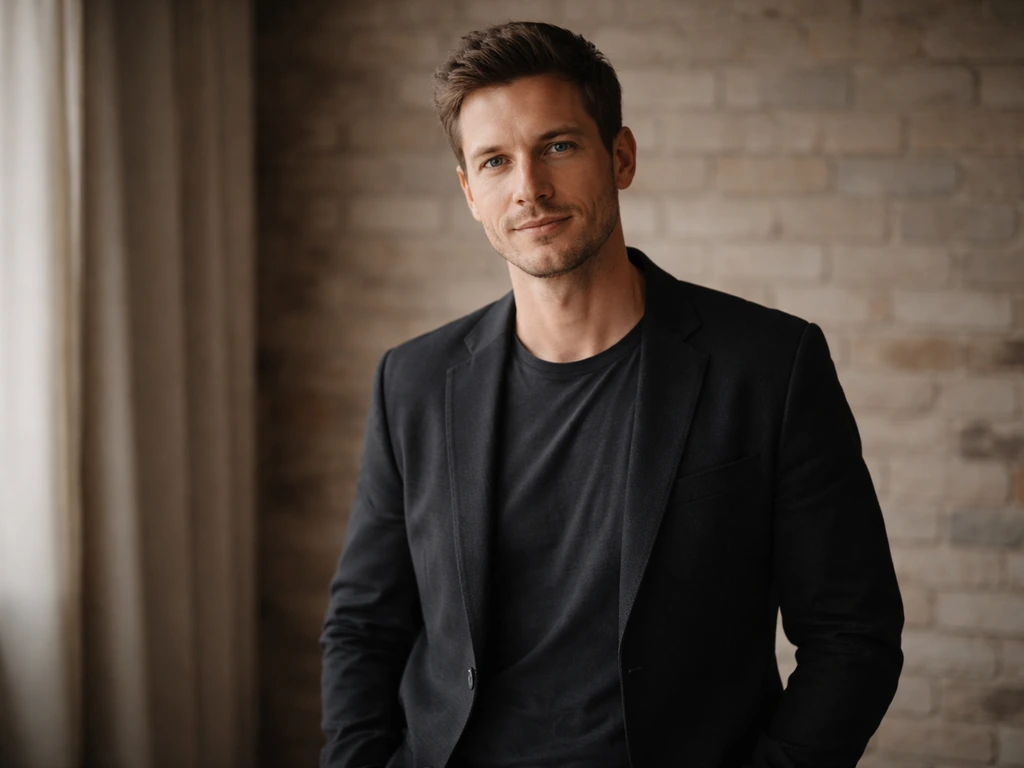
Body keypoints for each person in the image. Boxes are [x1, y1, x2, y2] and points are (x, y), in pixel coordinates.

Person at [319, 20, 904, 768]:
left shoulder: (768, 366)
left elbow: (853, 634)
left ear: (619, 157)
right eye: (495, 161)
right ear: (469, 191)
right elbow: (364, 625)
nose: (528, 188)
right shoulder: (414, 380)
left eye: (557, 146)